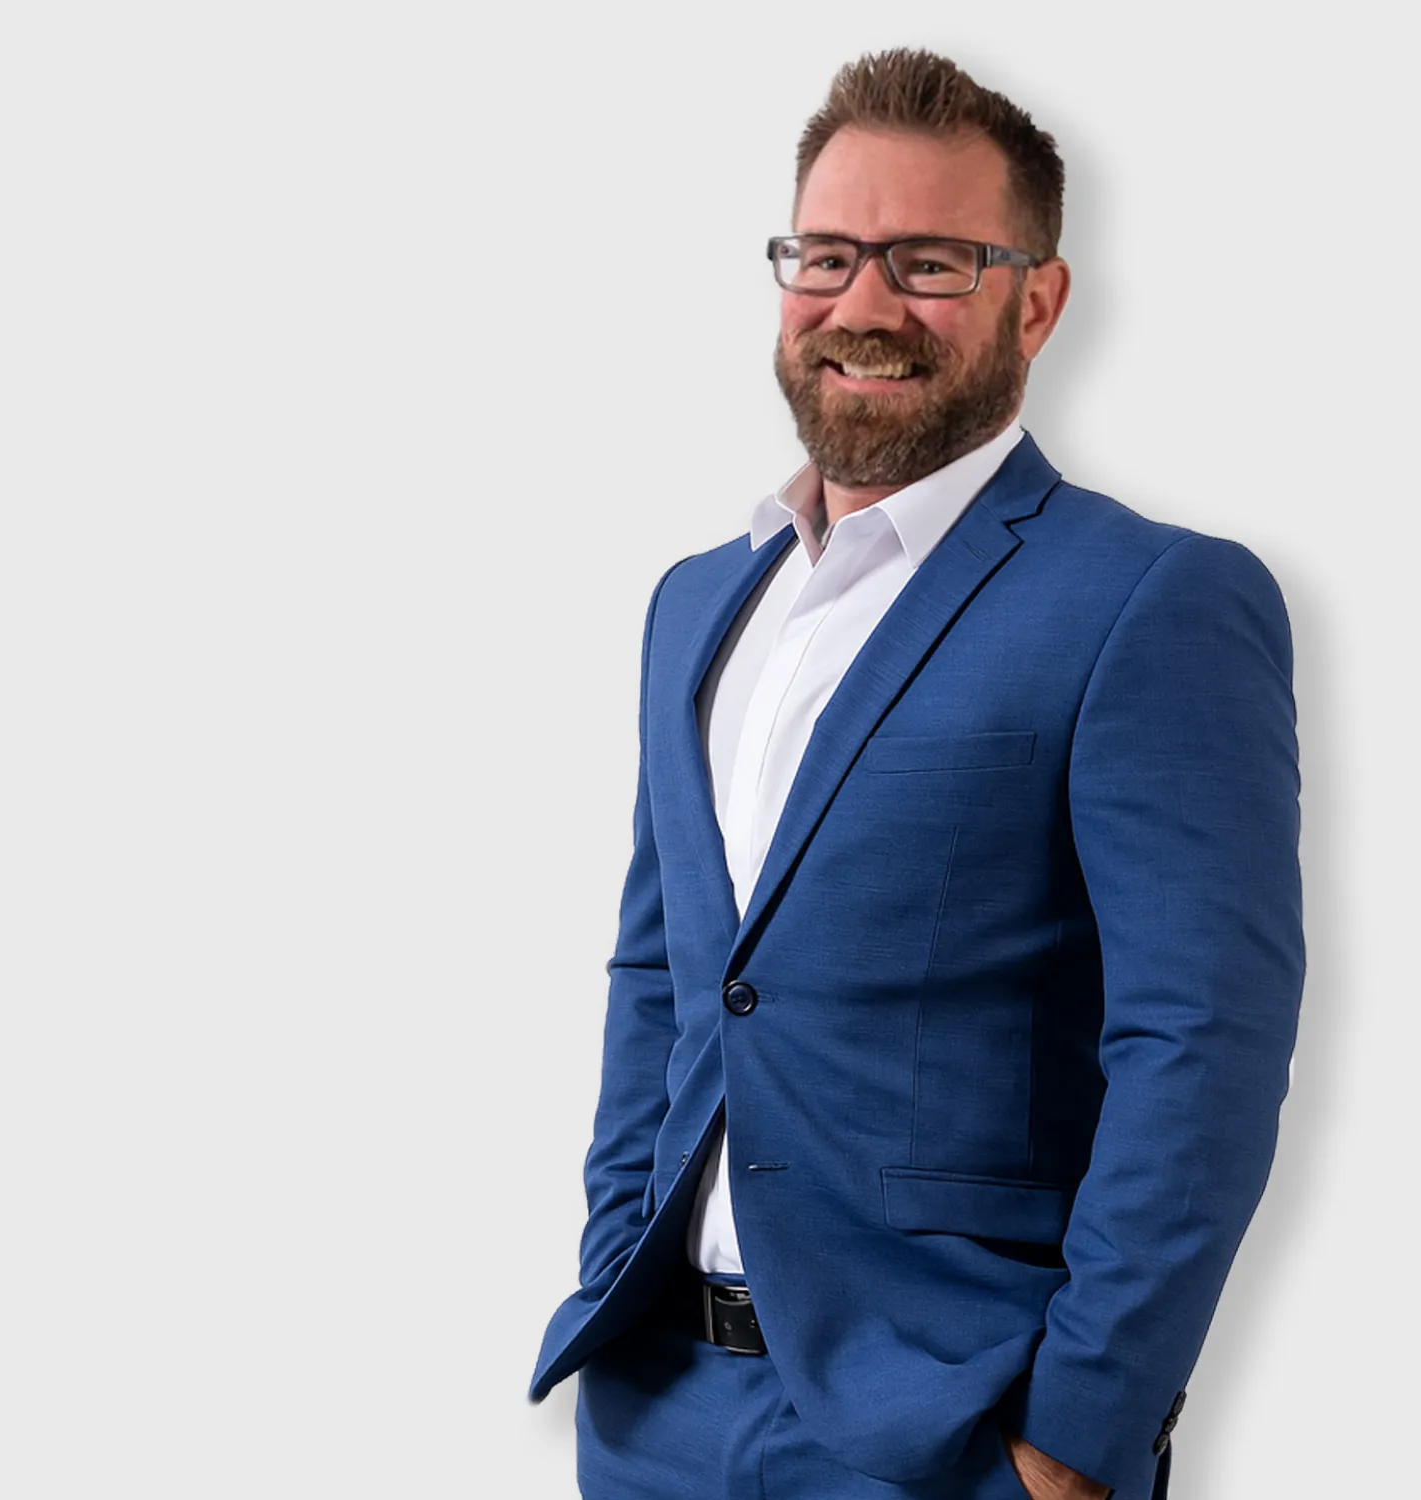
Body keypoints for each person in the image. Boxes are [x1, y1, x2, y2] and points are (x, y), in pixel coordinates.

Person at [527, 47, 1305, 1500]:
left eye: (930, 263)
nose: (864, 306)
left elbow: (1201, 1042)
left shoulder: (1149, 600)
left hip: (951, 1435)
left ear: (1037, 301)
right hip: (656, 1415)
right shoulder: (698, 604)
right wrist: (610, 1254)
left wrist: (1079, 1434)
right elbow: (661, 976)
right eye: (827, 256)